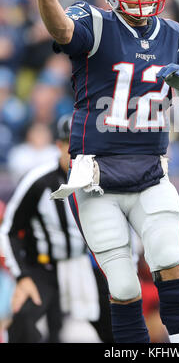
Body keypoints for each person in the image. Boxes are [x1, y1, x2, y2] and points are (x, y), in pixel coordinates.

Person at [34, 0, 179, 344]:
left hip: (150, 171)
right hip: (96, 177)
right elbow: (61, 29)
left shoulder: (177, 35)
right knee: (125, 285)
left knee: (171, 259)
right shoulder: (93, 21)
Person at [0, 115, 114, 343]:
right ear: (60, 145)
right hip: (42, 267)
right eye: (73, 148)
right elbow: (10, 230)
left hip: (83, 264)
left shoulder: (102, 179)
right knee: (23, 323)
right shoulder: (38, 181)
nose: (79, 156)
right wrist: (22, 276)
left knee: (118, 326)